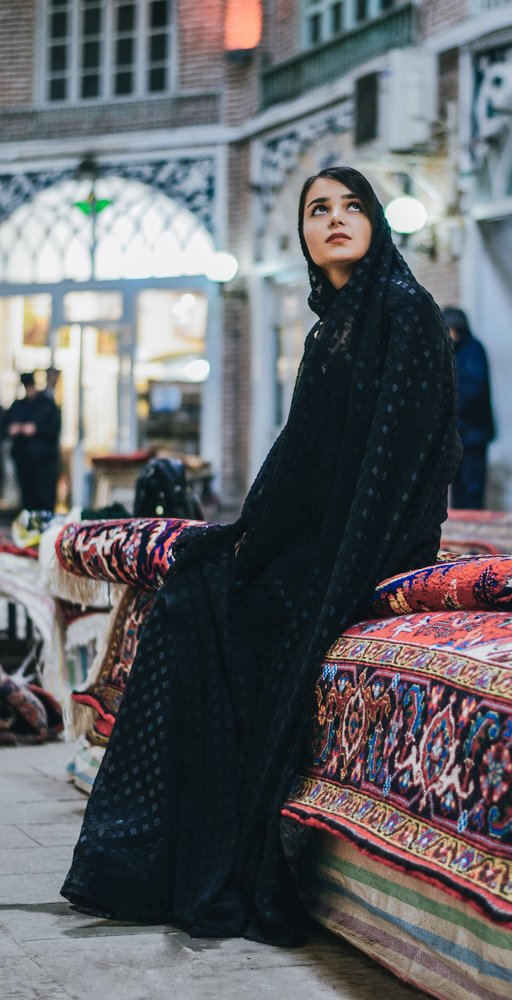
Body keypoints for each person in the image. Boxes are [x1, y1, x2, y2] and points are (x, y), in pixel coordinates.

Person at [61, 166, 460, 945]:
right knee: (194, 586)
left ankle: (197, 859)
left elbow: (406, 457)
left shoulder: (405, 311)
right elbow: (299, 456)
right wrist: (245, 535)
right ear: (304, 235)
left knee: (226, 616)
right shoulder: (331, 324)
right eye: (319, 210)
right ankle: (148, 860)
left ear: (377, 222)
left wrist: (336, 573)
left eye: (353, 206)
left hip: (373, 539)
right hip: (321, 537)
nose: (336, 219)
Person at [443, 307, 495, 509]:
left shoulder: (474, 350)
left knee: (472, 486)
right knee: (457, 488)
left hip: (474, 434)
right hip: (456, 433)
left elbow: (474, 389)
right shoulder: (449, 351)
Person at [0, 372, 61, 512]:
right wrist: (12, 429)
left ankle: (44, 525)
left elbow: (53, 429)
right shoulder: (18, 405)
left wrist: (36, 429)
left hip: (44, 463)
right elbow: (5, 427)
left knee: (44, 497)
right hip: (24, 461)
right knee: (28, 498)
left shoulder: (47, 405)